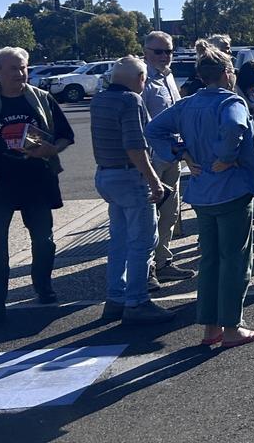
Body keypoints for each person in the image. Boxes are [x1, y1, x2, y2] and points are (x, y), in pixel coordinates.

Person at [146, 44, 254, 347]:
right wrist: (226, 156)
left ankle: (210, 325)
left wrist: (181, 153)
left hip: (201, 192)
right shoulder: (230, 101)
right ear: (227, 73)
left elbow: (154, 129)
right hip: (231, 189)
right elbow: (236, 125)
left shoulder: (188, 104)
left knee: (210, 259)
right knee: (235, 260)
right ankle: (231, 327)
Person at [0, 47, 74, 327]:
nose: (20, 73)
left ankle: (43, 286)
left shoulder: (41, 99)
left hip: (37, 182)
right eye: (14, 68)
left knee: (44, 240)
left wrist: (52, 149)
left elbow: (65, 136)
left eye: (24, 67)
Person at [92, 56, 176, 324]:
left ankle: (115, 298)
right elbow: (134, 145)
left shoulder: (99, 99)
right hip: (130, 176)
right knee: (143, 243)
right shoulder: (131, 100)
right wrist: (153, 179)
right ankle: (138, 301)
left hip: (106, 174)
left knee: (119, 241)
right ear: (140, 78)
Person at [141, 30, 195, 284]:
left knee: (171, 211)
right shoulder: (141, 80)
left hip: (172, 154)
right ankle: (146, 269)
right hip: (151, 158)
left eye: (169, 51)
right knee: (148, 215)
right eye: (158, 51)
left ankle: (163, 260)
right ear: (146, 52)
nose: (165, 56)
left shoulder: (169, 77)